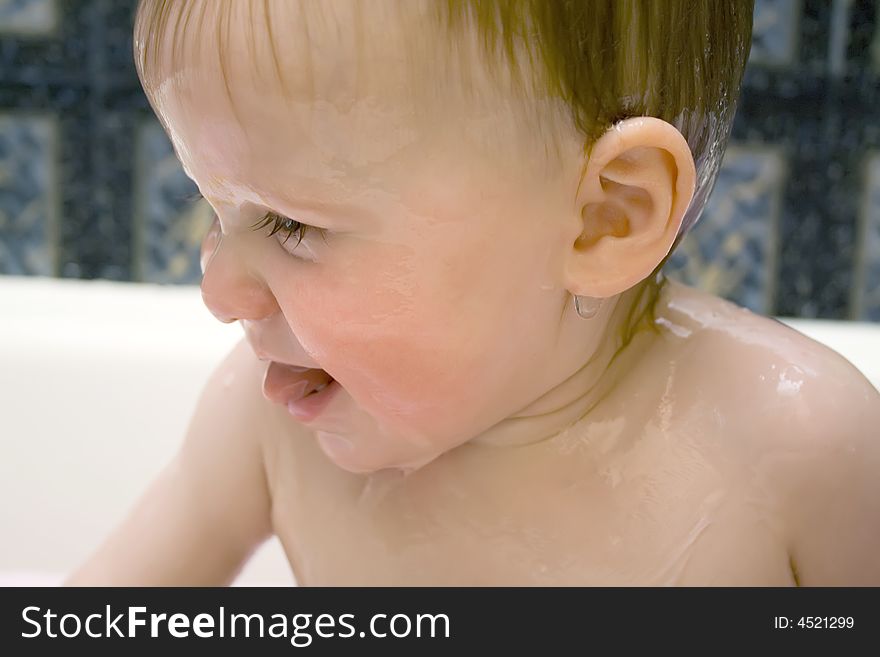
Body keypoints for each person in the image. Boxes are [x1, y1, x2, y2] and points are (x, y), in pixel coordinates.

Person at [66, 0, 879, 585]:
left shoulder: (796, 454)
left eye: (289, 223)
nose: (218, 290)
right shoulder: (262, 431)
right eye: (214, 208)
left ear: (604, 217)